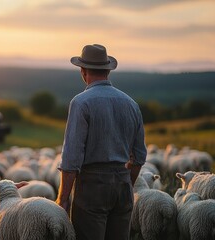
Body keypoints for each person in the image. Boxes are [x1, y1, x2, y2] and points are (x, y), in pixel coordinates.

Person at [56, 44, 147, 240]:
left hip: (92, 187)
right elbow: (139, 156)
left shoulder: (81, 102)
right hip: (123, 185)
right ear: (108, 70)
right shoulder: (131, 104)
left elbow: (71, 157)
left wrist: (63, 199)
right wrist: (125, 182)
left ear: (83, 71)